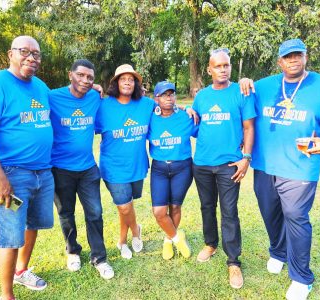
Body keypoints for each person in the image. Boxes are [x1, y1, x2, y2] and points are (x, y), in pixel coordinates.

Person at [248, 38, 320, 300]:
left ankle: (302, 277)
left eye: (298, 55)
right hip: (265, 165)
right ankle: (278, 251)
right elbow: (234, 101)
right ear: (279, 61)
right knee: (270, 213)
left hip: (302, 166)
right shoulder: (263, 86)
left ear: (306, 56)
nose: (293, 60)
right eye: (287, 56)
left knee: (295, 215)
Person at [0, 36, 53, 300]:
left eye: (36, 54)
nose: (31, 58)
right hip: (12, 176)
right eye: (24, 52)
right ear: (10, 54)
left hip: (42, 174)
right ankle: (6, 295)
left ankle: (22, 271)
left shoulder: (40, 87)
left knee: (32, 224)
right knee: (10, 233)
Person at [192, 48, 256, 289]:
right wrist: (189, 111)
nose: (223, 69)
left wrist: (246, 157)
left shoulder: (241, 92)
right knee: (207, 207)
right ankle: (210, 243)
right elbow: (196, 120)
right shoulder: (201, 97)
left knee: (229, 211)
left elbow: (249, 128)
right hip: (202, 164)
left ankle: (233, 261)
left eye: (226, 65)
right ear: (209, 70)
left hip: (230, 165)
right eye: (217, 66)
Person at [49, 59, 114, 280]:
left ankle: (100, 258)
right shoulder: (53, 97)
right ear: (70, 75)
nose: (85, 81)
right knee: (66, 213)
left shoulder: (95, 97)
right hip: (60, 168)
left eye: (90, 78)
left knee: (95, 213)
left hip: (88, 168)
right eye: (81, 76)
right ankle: (73, 251)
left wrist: (96, 88)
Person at [95, 64, 154, 259]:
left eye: (131, 79)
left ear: (136, 84)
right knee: (124, 206)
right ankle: (126, 239)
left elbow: (166, 107)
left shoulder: (146, 104)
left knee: (127, 204)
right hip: (114, 168)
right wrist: (91, 89)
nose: (127, 82)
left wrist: (186, 108)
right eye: (123, 78)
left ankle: (134, 230)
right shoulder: (103, 106)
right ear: (115, 82)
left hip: (137, 166)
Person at [147, 81, 197, 260]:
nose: (169, 97)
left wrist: (188, 109)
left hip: (182, 167)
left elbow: (204, 131)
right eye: (164, 94)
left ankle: (168, 241)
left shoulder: (186, 117)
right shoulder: (150, 117)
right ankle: (177, 238)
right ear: (156, 98)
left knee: (175, 206)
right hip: (159, 168)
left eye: (171, 94)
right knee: (159, 211)